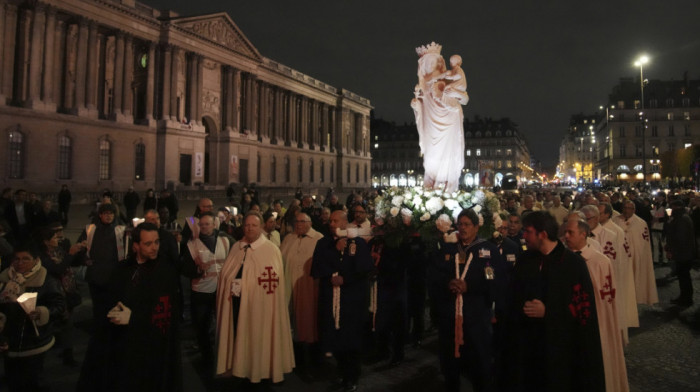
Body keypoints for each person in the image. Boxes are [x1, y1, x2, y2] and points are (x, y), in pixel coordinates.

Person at [501, 211, 604, 392]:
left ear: (543, 234)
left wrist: (549, 312)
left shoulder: (573, 264)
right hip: (528, 349)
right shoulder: (525, 260)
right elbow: (513, 296)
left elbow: (583, 311)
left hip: (559, 351)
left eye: (528, 232)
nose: (524, 236)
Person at [429, 209, 506, 392]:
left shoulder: (488, 251)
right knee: (450, 365)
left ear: (476, 227)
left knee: (479, 365)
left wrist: (469, 286)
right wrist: (449, 284)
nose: (462, 228)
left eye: (467, 224)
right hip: (450, 317)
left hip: (475, 318)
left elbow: (493, 280)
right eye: (460, 224)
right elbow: (434, 275)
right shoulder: (448, 249)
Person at [215, 212, 295, 383]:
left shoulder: (270, 250)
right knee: (237, 334)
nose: (250, 229)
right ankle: (238, 367)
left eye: (254, 225)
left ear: (261, 227)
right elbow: (226, 274)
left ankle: (258, 369)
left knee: (256, 339)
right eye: (247, 225)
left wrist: (246, 286)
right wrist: (231, 283)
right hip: (236, 304)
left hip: (260, 307)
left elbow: (272, 284)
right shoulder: (237, 247)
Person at [105, 223, 182, 391]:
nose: (154, 247)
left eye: (156, 242)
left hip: (152, 349)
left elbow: (166, 313)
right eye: (148, 244)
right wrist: (113, 311)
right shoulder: (122, 269)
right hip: (125, 346)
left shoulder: (165, 272)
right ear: (135, 246)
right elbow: (113, 297)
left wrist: (134, 318)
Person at [563, 218, 629, 392]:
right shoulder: (562, 259)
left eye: (571, 233)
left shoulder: (600, 262)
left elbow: (607, 299)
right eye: (565, 232)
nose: (566, 236)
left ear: (584, 234)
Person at [311, 210, 373, 392]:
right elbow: (317, 267)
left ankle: (352, 375)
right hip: (331, 299)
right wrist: (333, 256)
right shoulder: (323, 244)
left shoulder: (358, 243)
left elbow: (364, 270)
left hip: (350, 302)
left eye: (335, 220)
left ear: (345, 223)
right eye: (330, 220)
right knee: (334, 338)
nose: (331, 223)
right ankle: (341, 371)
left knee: (351, 340)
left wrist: (345, 279)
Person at [0, 245, 66, 392]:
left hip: (34, 341)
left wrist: (42, 312)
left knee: (33, 381)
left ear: (36, 260)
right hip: (9, 342)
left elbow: (59, 305)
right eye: (17, 259)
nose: (20, 263)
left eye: (25, 259)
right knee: (13, 382)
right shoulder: (4, 279)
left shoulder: (46, 280)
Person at [182, 212, 231, 367]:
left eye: (207, 224)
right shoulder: (192, 244)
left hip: (222, 290)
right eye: (201, 224)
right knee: (202, 326)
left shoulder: (226, 240)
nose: (204, 227)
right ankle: (207, 358)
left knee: (224, 324)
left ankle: (224, 355)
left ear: (214, 224)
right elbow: (183, 268)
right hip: (201, 292)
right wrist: (196, 270)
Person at [279, 212, 324, 376]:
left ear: (310, 222)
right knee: (292, 321)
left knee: (309, 320)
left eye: (302, 221)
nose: (298, 224)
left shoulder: (319, 239)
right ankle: (294, 356)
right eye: (296, 221)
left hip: (310, 287)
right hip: (288, 285)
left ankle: (315, 358)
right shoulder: (288, 239)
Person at [36, 225, 85, 366]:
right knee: (62, 324)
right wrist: (70, 254)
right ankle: (64, 356)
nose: (58, 238)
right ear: (46, 241)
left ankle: (63, 351)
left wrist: (79, 252)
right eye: (54, 237)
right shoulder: (43, 257)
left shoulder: (58, 250)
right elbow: (57, 269)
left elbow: (70, 263)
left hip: (67, 291)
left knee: (65, 324)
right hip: (55, 294)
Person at [75, 203, 127, 326]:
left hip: (114, 274)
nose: (109, 216)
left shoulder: (121, 230)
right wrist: (84, 259)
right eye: (106, 213)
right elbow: (80, 247)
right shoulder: (90, 229)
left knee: (114, 303)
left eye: (111, 213)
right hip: (96, 274)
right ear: (100, 215)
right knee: (98, 304)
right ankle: (99, 326)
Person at [613, 201, 659, 305]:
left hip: (634, 256)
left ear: (633, 210)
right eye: (625, 207)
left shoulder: (641, 223)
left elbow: (643, 243)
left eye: (629, 208)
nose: (626, 210)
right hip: (619, 256)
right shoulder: (615, 220)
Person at [665, 199, 696, 306]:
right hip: (684, 252)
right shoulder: (681, 218)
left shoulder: (682, 219)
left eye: (672, 207)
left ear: (676, 207)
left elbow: (680, 238)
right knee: (683, 277)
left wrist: (671, 250)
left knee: (684, 277)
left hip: (683, 253)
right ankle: (685, 296)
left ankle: (686, 298)